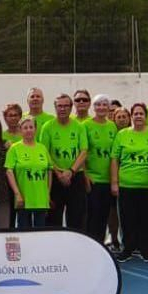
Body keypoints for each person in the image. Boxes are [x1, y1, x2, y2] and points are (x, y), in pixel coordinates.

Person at [111, 103, 148, 261]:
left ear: (146, 116)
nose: (138, 116)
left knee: (147, 219)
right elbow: (114, 159)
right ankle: (128, 249)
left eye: (141, 114)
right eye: (135, 113)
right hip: (127, 185)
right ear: (131, 116)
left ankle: (145, 248)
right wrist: (114, 182)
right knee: (127, 219)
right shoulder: (122, 135)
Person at [42, 94, 89, 232]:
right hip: (55, 178)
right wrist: (59, 173)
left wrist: (71, 171)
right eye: (59, 106)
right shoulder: (47, 127)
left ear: (71, 107)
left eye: (66, 106)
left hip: (75, 176)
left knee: (77, 217)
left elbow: (84, 151)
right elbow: (45, 153)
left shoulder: (79, 127)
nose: (62, 109)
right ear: (55, 108)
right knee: (53, 219)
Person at [79, 90, 118, 246]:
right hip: (92, 179)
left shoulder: (112, 126)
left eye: (104, 104)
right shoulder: (85, 126)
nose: (101, 107)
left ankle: (101, 245)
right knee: (91, 215)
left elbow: (115, 154)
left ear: (108, 107)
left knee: (104, 215)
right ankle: (89, 245)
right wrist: (85, 175)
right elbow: (82, 152)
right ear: (93, 107)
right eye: (98, 105)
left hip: (108, 179)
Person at [5, 117, 53, 230]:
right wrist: (17, 194)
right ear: (20, 130)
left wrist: (48, 192)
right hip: (24, 199)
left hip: (41, 199)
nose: (28, 130)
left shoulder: (42, 148)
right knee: (24, 233)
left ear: (35, 129)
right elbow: (9, 171)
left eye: (31, 127)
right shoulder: (14, 148)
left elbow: (49, 170)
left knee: (40, 233)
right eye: (25, 128)